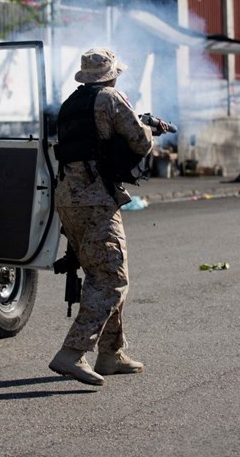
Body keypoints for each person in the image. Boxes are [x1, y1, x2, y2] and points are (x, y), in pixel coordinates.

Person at [48, 47, 169, 386]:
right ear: (111, 74)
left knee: (101, 272)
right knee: (111, 278)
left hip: (69, 198)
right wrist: (149, 128)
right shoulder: (111, 97)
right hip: (95, 198)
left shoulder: (72, 103)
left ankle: (110, 354)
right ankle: (71, 353)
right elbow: (139, 142)